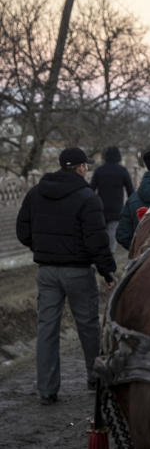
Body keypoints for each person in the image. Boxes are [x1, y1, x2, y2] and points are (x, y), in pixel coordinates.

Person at [15, 147, 116, 404]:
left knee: (47, 329)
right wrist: (107, 272)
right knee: (88, 326)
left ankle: (47, 390)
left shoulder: (35, 193)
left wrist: (41, 248)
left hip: (46, 272)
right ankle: (95, 379)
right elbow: (97, 241)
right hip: (78, 272)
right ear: (81, 167)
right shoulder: (87, 198)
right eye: (86, 166)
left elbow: (22, 230)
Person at [89, 145, 133, 252]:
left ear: (105, 157)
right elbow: (130, 190)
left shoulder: (99, 171)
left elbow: (91, 189)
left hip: (100, 207)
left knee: (101, 231)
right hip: (116, 208)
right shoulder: (122, 171)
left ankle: (100, 252)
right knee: (112, 232)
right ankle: (110, 253)